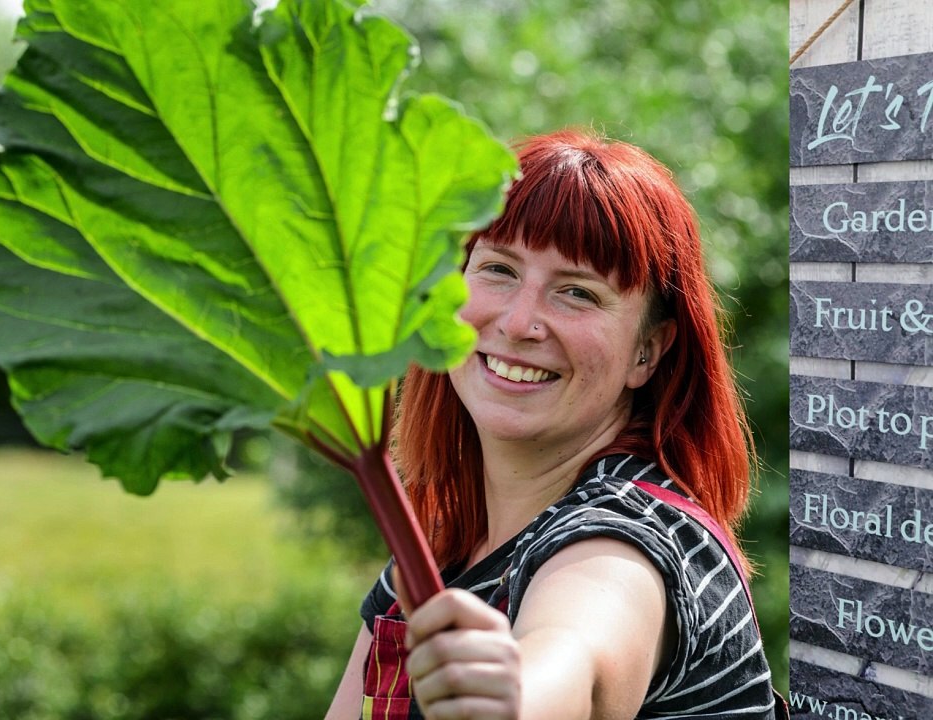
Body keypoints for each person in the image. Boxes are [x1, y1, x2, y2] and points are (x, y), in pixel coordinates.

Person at [325, 128, 782, 719]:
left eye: (577, 293)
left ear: (648, 351)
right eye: (498, 269)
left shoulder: (634, 537)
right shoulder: (436, 551)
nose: (519, 323)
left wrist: (512, 693)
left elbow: (578, 657)